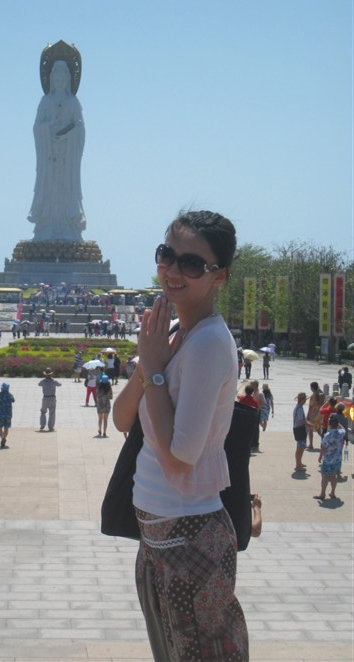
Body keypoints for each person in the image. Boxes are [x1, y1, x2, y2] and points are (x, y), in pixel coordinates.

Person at [113, 210, 248, 661]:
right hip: (157, 532)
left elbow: (179, 458)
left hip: (190, 534)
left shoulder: (208, 342)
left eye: (191, 264)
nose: (173, 270)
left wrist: (153, 368)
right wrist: (149, 363)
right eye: (166, 255)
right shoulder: (175, 332)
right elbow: (121, 418)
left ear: (219, 276)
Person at [27, 58, 86, 241]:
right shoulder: (45, 101)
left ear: (68, 80)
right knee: (48, 189)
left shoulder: (73, 102)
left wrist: (69, 135)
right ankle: (46, 228)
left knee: (68, 189)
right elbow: (36, 127)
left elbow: (81, 129)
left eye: (63, 79)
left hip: (68, 156)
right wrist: (48, 127)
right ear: (52, 80)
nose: (60, 82)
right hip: (49, 155)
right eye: (57, 79)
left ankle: (70, 228)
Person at [314, 415, 345, 500]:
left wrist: (320, 456)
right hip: (337, 459)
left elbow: (323, 447)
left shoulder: (327, 435)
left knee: (324, 476)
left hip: (328, 459)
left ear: (329, 424)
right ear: (337, 424)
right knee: (333, 476)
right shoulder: (341, 433)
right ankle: (332, 492)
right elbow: (343, 428)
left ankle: (322, 493)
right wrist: (338, 424)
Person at [38, 367, 61, 431]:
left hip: (45, 398)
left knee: (43, 412)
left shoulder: (43, 381)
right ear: (51, 374)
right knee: (52, 413)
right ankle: (51, 427)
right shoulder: (54, 381)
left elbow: (39, 384)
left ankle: (42, 425)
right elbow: (60, 384)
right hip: (52, 398)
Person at [0, 383, 15, 448]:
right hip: (8, 414)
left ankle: (2, 438)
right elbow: (13, 400)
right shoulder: (10, 395)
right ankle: (4, 437)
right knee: (6, 427)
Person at [293, 392, 310, 471]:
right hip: (300, 429)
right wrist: (309, 424)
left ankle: (299, 463)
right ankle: (298, 464)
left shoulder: (299, 407)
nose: (305, 401)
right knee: (300, 448)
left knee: (301, 447)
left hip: (299, 429)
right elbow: (301, 420)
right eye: (305, 399)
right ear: (301, 400)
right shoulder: (299, 409)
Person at [306, 381, 325, 450]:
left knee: (310, 429)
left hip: (313, 415)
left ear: (312, 388)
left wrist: (308, 415)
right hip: (320, 415)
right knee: (318, 429)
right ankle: (326, 441)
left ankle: (311, 444)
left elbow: (311, 407)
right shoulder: (322, 394)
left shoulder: (313, 396)